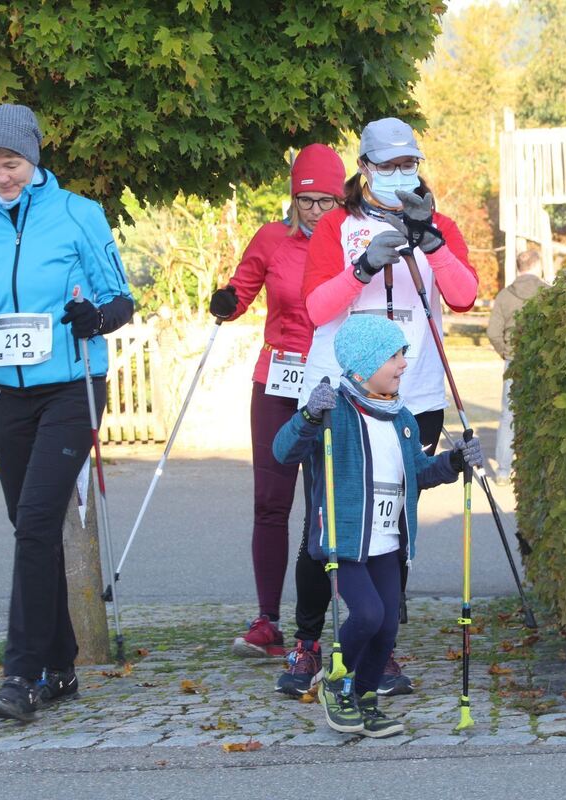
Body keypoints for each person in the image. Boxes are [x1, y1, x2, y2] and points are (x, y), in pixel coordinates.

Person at [0, 103, 134, 722]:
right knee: (28, 527)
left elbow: (121, 298)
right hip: (9, 391)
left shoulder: (77, 214)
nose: (1, 176)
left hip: (72, 385)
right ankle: (61, 666)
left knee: (36, 521)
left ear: (33, 159)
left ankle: (22, 673)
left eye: (11, 163)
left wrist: (96, 318)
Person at [275, 117, 479, 697]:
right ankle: (308, 642)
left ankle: (377, 647)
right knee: (328, 519)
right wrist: (362, 268)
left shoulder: (438, 224)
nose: (398, 174)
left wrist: (430, 242)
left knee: (395, 516)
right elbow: (315, 309)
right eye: (386, 165)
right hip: (341, 391)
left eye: (407, 163)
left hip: (413, 393)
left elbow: (464, 295)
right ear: (363, 168)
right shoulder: (337, 225)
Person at [273, 313, 483, 736]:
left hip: (388, 541)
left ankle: (365, 696)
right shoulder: (335, 412)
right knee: (367, 614)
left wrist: (454, 461)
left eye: (403, 353)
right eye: (394, 355)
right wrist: (310, 416)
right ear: (364, 364)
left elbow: (419, 473)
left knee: (387, 625)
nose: (404, 364)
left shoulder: (402, 419)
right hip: (346, 540)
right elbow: (284, 451)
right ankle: (336, 682)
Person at [207, 144, 346, 659]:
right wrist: (227, 300)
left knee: (325, 507)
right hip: (277, 381)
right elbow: (242, 287)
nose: (314, 210)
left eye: (325, 200)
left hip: (329, 384)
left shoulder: (350, 242)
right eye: (305, 200)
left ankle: (322, 621)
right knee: (271, 503)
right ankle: (267, 620)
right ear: (293, 198)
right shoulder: (270, 238)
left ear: (340, 200)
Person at [485, 248, 547, 484]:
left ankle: (503, 471)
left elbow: (492, 331)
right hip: (541, 360)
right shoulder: (547, 293)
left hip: (514, 360)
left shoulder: (504, 296)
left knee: (508, 414)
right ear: (537, 266)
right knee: (541, 412)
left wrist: (506, 351)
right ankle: (537, 469)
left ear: (519, 268)